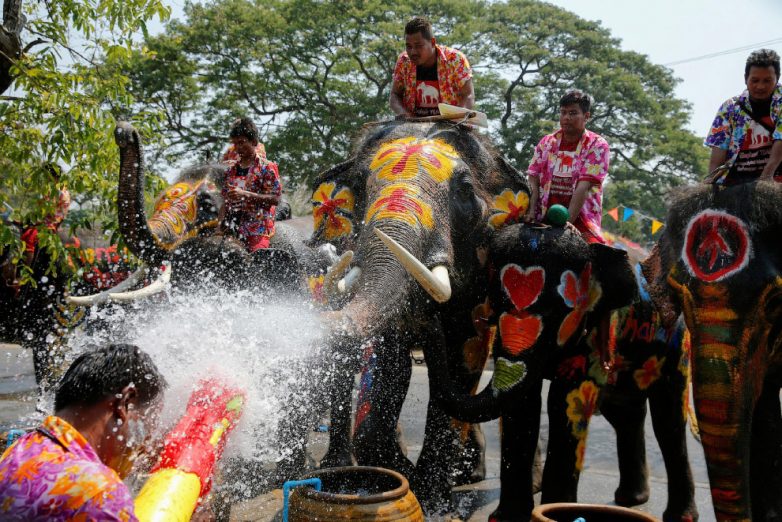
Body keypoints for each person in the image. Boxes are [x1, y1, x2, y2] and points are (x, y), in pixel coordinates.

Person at [0, 343, 166, 520]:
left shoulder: (17, 450)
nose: (145, 446)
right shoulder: (99, 493)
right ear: (123, 403)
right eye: (147, 426)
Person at [524, 90, 610, 244]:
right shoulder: (546, 142)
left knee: (599, 255)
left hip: (580, 220)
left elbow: (583, 187)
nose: (566, 118)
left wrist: (567, 221)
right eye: (563, 112)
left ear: (586, 116)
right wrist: (530, 211)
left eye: (573, 113)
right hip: (542, 215)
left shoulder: (597, 145)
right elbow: (533, 179)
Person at [705, 48, 782, 184]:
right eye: (755, 80)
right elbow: (718, 153)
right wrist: (711, 183)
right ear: (745, 78)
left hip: (775, 181)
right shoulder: (729, 108)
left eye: (767, 81)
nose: (760, 86)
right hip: (736, 184)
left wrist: (764, 182)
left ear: (777, 79)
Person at [389, 17, 474, 118]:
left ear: (433, 42)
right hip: (413, 125)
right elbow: (395, 95)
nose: (413, 52)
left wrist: (457, 118)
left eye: (418, 46)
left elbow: (468, 95)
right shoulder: (403, 61)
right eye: (409, 46)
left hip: (450, 123)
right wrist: (403, 113)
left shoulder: (455, 59)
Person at [218, 117, 282, 252]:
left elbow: (275, 199)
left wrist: (245, 194)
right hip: (232, 226)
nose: (238, 148)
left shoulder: (267, 167)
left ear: (253, 142)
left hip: (257, 228)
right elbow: (225, 201)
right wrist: (220, 224)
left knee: (255, 262)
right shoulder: (230, 170)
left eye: (242, 142)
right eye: (235, 144)